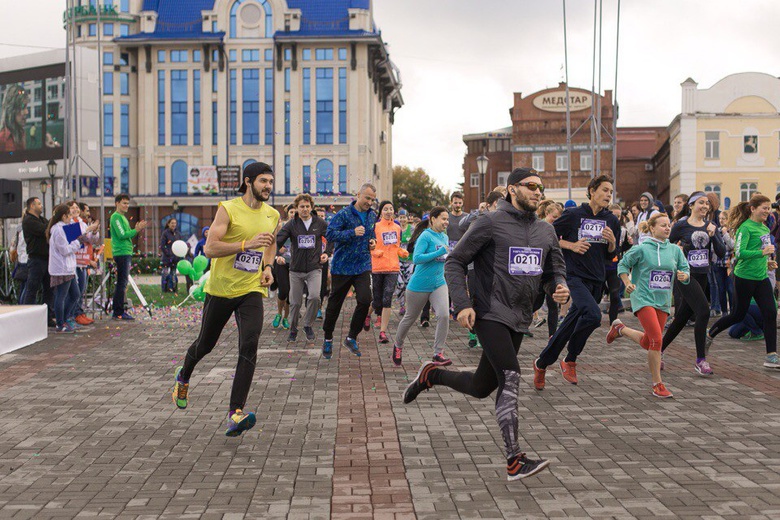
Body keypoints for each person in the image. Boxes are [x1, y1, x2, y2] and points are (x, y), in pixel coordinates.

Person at [403, 168, 569, 481]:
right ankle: (514, 459)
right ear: (512, 189)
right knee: (511, 374)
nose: (538, 192)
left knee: (482, 386)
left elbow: (553, 272)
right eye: (531, 186)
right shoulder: (490, 222)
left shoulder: (546, 232)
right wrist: (462, 304)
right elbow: (455, 261)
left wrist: (559, 287)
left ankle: (431, 375)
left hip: (520, 317)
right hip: (489, 311)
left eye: (541, 187)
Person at [172, 162, 279, 437]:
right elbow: (210, 248)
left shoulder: (273, 214)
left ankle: (235, 413)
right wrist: (246, 244)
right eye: (263, 181)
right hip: (220, 290)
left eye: (270, 181)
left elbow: (271, 242)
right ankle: (183, 376)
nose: (268, 186)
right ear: (248, 182)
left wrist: (268, 268)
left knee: (250, 344)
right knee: (205, 345)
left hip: (251, 289)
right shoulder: (228, 208)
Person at [533, 175, 620, 388]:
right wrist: (571, 245)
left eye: (611, 191)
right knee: (593, 315)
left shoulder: (612, 221)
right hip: (574, 276)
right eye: (605, 190)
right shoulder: (573, 215)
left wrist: (612, 243)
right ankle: (570, 359)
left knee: (569, 325)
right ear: (592, 191)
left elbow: (612, 255)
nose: (608, 195)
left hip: (597, 280)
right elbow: (548, 235)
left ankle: (541, 363)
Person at [607, 213, 690, 398]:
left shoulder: (675, 251)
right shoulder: (641, 249)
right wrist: (627, 282)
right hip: (643, 297)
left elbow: (685, 268)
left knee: (649, 341)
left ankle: (620, 329)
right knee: (657, 341)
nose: (668, 228)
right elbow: (622, 265)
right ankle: (657, 384)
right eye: (663, 225)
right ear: (652, 228)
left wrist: (685, 276)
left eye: (669, 225)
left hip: (663, 300)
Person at [706, 194, 779, 368]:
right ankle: (709, 335)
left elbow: (760, 251)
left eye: (769, 208)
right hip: (744, 278)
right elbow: (739, 253)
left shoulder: (764, 228)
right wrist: (761, 254)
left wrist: (768, 262)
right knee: (737, 314)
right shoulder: (745, 228)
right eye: (764, 208)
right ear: (753, 209)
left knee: (770, 312)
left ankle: (771, 356)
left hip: (761, 277)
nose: (767, 212)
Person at [659, 192, 724, 376]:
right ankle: (700, 360)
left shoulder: (711, 226)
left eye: (707, 204)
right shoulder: (681, 226)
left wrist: (713, 235)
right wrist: (674, 256)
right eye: (701, 203)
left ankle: (658, 350)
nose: (705, 206)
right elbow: (665, 244)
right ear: (691, 205)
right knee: (703, 310)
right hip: (685, 276)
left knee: (681, 318)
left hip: (702, 276)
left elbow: (720, 252)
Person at [321, 184, 378, 359]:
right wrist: (351, 232)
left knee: (365, 300)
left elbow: (371, 234)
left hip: (362, 265)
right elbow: (330, 234)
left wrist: (373, 241)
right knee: (335, 305)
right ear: (358, 194)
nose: (369, 202)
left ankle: (351, 336)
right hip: (343, 266)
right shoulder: (344, 214)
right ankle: (328, 338)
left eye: (372, 199)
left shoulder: (372, 216)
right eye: (367, 198)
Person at [391, 206, 450, 366]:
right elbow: (416, 258)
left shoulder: (444, 237)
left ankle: (438, 353)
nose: (446, 222)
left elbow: (443, 257)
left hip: (439, 283)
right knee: (410, 318)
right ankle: (398, 344)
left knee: (444, 315)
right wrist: (439, 253)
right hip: (419, 285)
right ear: (433, 219)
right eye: (443, 218)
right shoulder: (425, 236)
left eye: (447, 219)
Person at [277, 193, 329, 343]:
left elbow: (331, 237)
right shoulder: (292, 224)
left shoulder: (319, 223)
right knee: (295, 302)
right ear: (296, 208)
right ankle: (293, 329)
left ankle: (307, 325)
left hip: (314, 268)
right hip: (296, 269)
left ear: (311, 207)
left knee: (314, 297)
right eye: (302, 207)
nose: (305, 209)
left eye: (307, 206)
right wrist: (276, 255)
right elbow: (278, 241)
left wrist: (326, 252)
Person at [47, 204, 99, 333]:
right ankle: (60, 323)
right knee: (61, 296)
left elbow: (80, 235)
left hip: (68, 267)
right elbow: (65, 249)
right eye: (69, 215)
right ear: (63, 216)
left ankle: (64, 319)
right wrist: (78, 243)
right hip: (61, 268)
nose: (71, 218)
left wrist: (89, 230)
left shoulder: (64, 227)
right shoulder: (58, 229)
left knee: (75, 294)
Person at [371, 201, 408, 343]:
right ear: (381, 212)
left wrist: (401, 252)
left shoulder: (397, 227)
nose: (388, 211)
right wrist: (375, 251)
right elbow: (369, 245)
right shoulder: (375, 227)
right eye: (385, 209)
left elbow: (396, 246)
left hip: (392, 267)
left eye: (390, 209)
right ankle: (368, 315)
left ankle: (382, 332)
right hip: (378, 267)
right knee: (377, 300)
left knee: (387, 299)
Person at [109, 194, 148, 320]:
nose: (126, 206)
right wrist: (136, 230)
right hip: (121, 253)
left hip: (125, 252)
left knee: (122, 282)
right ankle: (118, 311)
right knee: (121, 282)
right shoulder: (115, 217)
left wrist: (135, 230)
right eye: (124, 203)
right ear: (117, 203)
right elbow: (122, 235)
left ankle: (119, 310)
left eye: (127, 203)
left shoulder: (122, 218)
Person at [532, 200, 564, 338]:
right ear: (547, 214)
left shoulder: (557, 229)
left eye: (558, 218)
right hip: (539, 272)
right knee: (536, 303)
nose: (556, 221)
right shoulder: (539, 227)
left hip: (552, 273)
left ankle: (552, 335)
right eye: (554, 217)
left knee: (553, 305)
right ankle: (518, 326)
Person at [22, 197, 54, 325]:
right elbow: (45, 230)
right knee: (32, 288)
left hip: (47, 258)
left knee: (48, 289)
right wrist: (52, 222)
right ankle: (27, 317)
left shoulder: (41, 219)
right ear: (32, 206)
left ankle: (47, 317)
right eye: (39, 204)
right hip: (36, 259)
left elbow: (49, 227)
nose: (41, 206)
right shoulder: (29, 221)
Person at [68, 201, 99, 326]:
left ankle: (78, 313)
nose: (75, 209)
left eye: (76, 207)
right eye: (72, 207)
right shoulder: (69, 223)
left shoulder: (81, 222)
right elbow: (78, 237)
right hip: (74, 261)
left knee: (81, 291)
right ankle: (71, 316)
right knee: (73, 293)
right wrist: (88, 230)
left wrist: (95, 231)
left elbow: (91, 240)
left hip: (83, 260)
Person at [271, 205, 295, 330]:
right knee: (283, 290)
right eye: (291, 212)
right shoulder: (282, 226)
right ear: (288, 212)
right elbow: (273, 243)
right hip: (281, 263)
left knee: (291, 294)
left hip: (295, 264)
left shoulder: (302, 227)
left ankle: (286, 317)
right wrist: (277, 254)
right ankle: (279, 314)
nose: (293, 214)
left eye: (295, 212)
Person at [711, 210, 735, 316]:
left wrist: (725, 234)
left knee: (730, 289)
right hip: (718, 263)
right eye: (720, 218)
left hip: (729, 264)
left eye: (723, 218)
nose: (721, 221)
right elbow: (713, 246)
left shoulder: (732, 231)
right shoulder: (717, 231)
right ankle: (724, 311)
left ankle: (733, 311)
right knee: (721, 289)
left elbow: (733, 246)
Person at [396, 209, 414, 316]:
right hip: (398, 261)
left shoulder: (412, 229)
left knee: (408, 284)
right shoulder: (396, 229)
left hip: (410, 261)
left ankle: (409, 306)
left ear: (407, 218)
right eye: (400, 217)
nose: (402, 219)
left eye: (404, 217)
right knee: (400, 284)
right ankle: (401, 306)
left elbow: (416, 242)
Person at [0, 84, 29, 152]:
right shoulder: (2, 139)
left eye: (26, 107)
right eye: (23, 107)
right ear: (12, 109)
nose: (27, 112)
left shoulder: (21, 133)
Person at [160, 218, 183, 293]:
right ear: (168, 224)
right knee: (165, 274)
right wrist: (168, 254)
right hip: (167, 258)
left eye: (175, 223)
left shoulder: (178, 234)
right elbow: (162, 246)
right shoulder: (165, 233)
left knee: (173, 274)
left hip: (175, 258)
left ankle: (173, 289)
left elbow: (180, 244)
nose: (173, 225)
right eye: (172, 223)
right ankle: (164, 289)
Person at [315, 206, 330, 319]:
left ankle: (319, 308)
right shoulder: (310, 228)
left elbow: (331, 242)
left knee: (322, 285)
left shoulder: (327, 229)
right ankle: (312, 307)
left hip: (323, 260)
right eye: (318, 216)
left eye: (322, 216)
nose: (321, 218)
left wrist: (327, 253)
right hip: (310, 261)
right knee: (312, 286)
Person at [10, 219, 28, 304]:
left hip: (22, 259)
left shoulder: (19, 229)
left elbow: (14, 245)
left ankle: (21, 304)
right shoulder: (24, 230)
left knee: (24, 285)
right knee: (27, 285)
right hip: (26, 260)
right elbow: (21, 246)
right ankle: (22, 304)